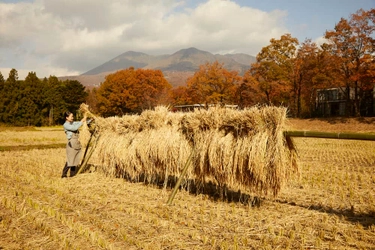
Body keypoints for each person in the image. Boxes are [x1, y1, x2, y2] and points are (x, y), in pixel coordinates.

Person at [61, 111, 87, 178]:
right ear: (67, 117)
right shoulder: (66, 125)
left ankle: (72, 175)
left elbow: (78, 123)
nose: (73, 118)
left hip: (76, 142)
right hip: (71, 143)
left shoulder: (73, 123)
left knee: (75, 159)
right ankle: (64, 175)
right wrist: (81, 122)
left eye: (73, 116)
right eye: (71, 116)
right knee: (70, 159)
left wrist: (87, 120)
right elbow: (74, 128)